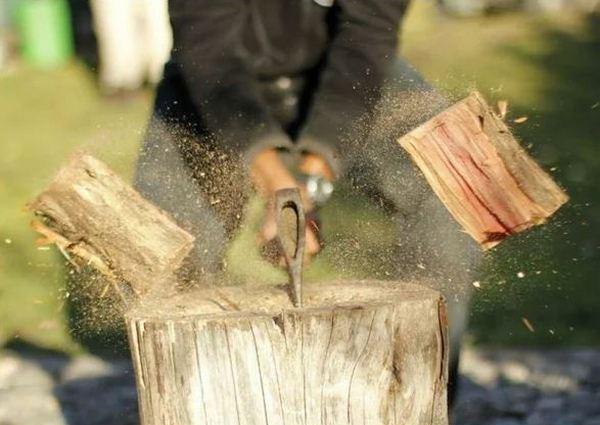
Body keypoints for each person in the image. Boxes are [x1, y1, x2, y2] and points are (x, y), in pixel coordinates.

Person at [134, 0, 481, 404]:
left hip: (347, 74)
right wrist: (278, 187)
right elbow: (209, 52)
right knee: (161, 247)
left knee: (456, 184)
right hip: (214, 81)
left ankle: (418, 396)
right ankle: (193, 403)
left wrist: (313, 179)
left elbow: (367, 37)